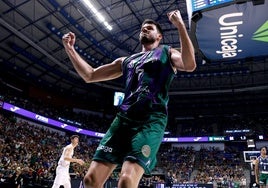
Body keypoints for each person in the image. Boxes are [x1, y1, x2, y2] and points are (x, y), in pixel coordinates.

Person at [62, 10, 196, 188]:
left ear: (159, 36)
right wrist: (70, 49)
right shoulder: (126, 61)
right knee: (90, 180)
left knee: (126, 180)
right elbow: (90, 75)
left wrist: (180, 26)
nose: (145, 30)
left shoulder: (166, 52)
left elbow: (189, 64)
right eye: (143, 29)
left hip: (150, 121)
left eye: (149, 28)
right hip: (123, 120)